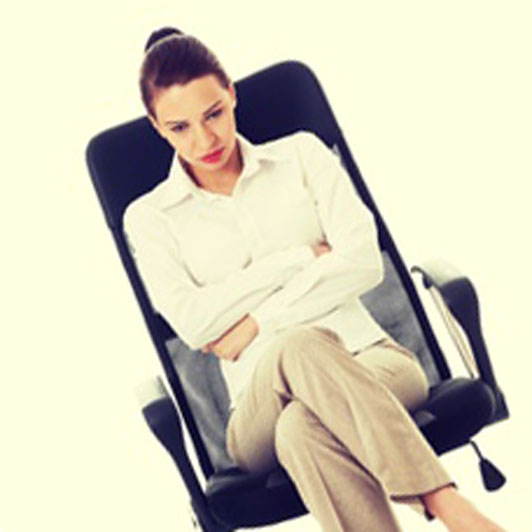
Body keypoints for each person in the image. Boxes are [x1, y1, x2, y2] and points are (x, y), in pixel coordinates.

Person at [123, 26, 507, 532]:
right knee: (299, 353)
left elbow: (365, 262)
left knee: (302, 429)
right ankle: (448, 505)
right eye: (180, 128)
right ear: (157, 127)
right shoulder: (150, 218)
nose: (205, 139)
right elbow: (195, 325)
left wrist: (257, 321)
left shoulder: (301, 155)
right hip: (256, 414)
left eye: (214, 113)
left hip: (375, 362)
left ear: (232, 93)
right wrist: (299, 259)